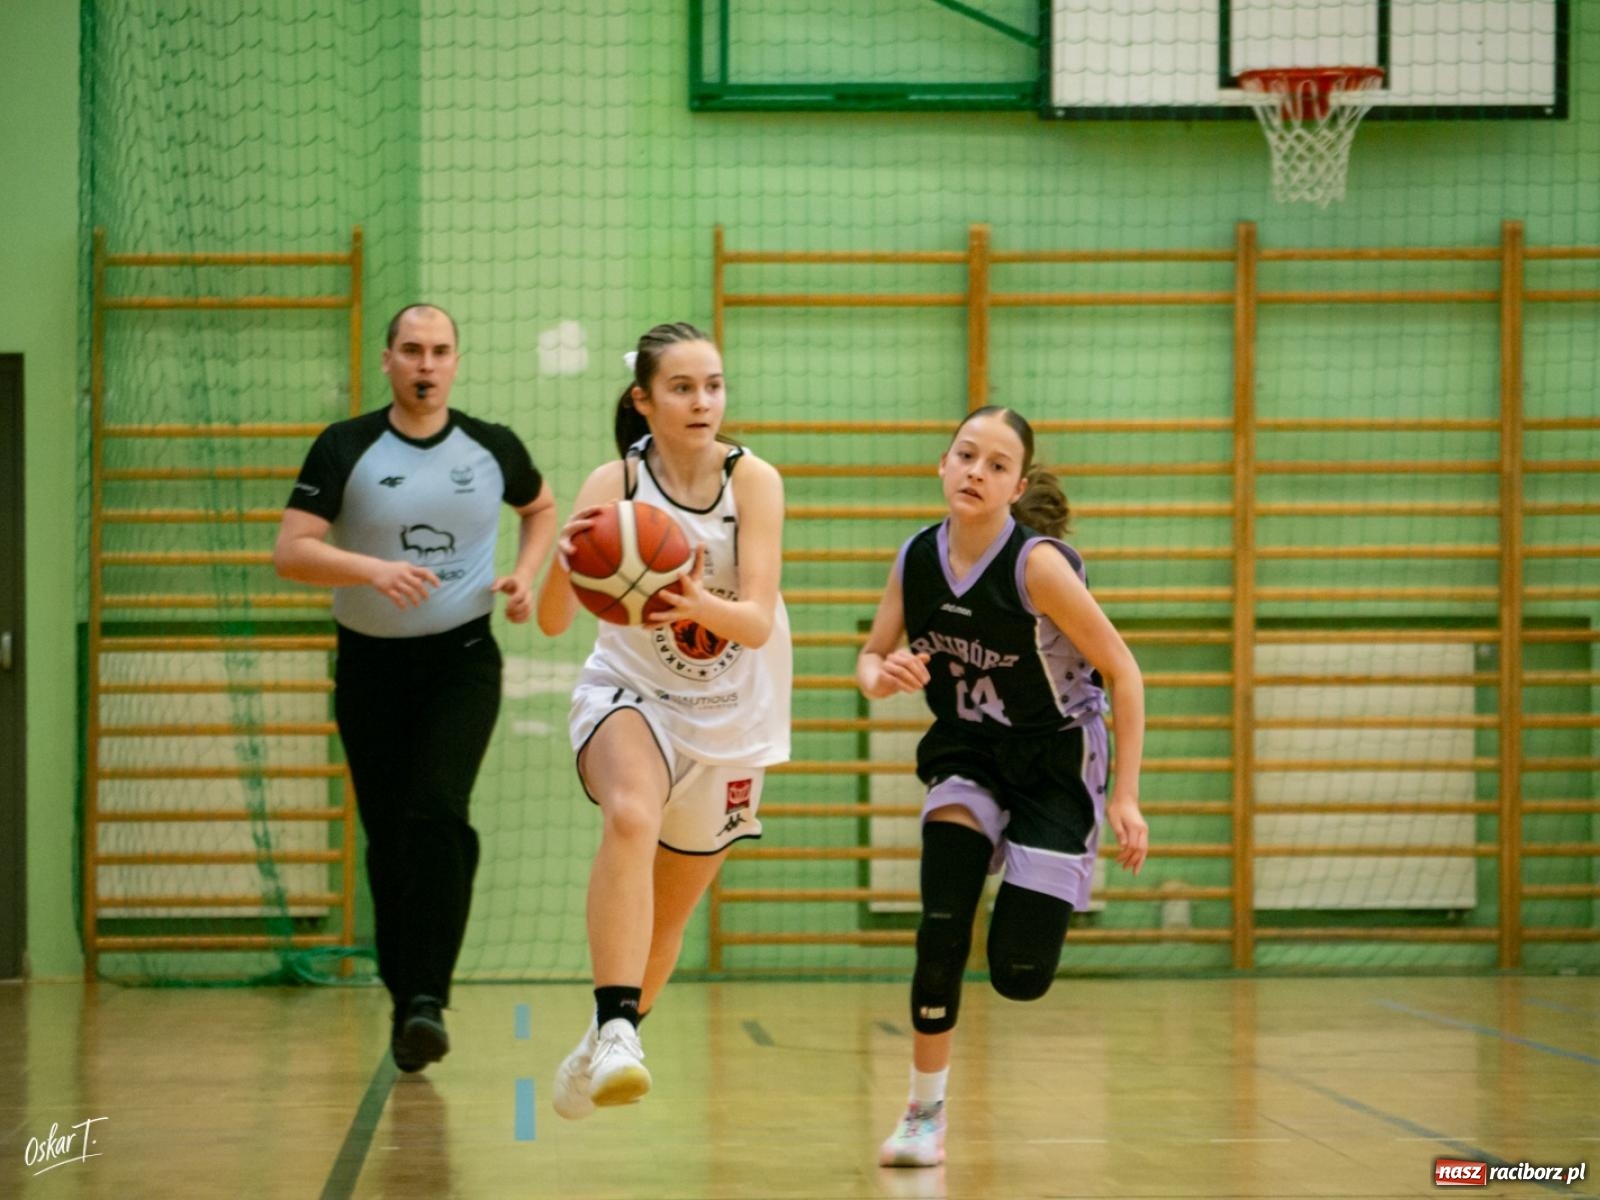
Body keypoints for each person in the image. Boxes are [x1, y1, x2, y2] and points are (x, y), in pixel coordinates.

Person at [856, 405, 1149, 1167]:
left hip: (1054, 759)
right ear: (943, 465)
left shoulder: (1037, 566)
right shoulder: (916, 557)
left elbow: (1123, 671)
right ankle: (924, 1115)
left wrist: (1123, 796)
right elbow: (870, 654)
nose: (975, 472)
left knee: (1020, 976)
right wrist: (880, 675)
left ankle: (1027, 860)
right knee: (942, 925)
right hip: (968, 752)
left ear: (1016, 486)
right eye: (965, 455)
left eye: (994, 465)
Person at [272, 303, 557, 1073]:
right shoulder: (346, 446)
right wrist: (372, 569)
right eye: (411, 351)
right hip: (369, 667)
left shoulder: (491, 447)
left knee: (438, 812)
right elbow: (292, 552)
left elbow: (540, 508)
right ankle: (408, 1004)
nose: (426, 364)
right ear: (388, 361)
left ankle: (429, 995)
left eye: (439, 351)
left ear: (456, 361)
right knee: (390, 839)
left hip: (462, 661)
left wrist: (525, 578)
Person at [536, 321, 790, 1117]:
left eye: (713, 385)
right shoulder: (611, 483)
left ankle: (603, 1039)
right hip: (631, 694)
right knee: (631, 813)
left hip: (731, 714)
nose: (703, 401)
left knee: (670, 916)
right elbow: (549, 621)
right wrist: (568, 556)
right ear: (644, 400)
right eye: (682, 387)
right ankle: (618, 1028)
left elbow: (751, 620)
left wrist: (687, 597)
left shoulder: (754, 481)